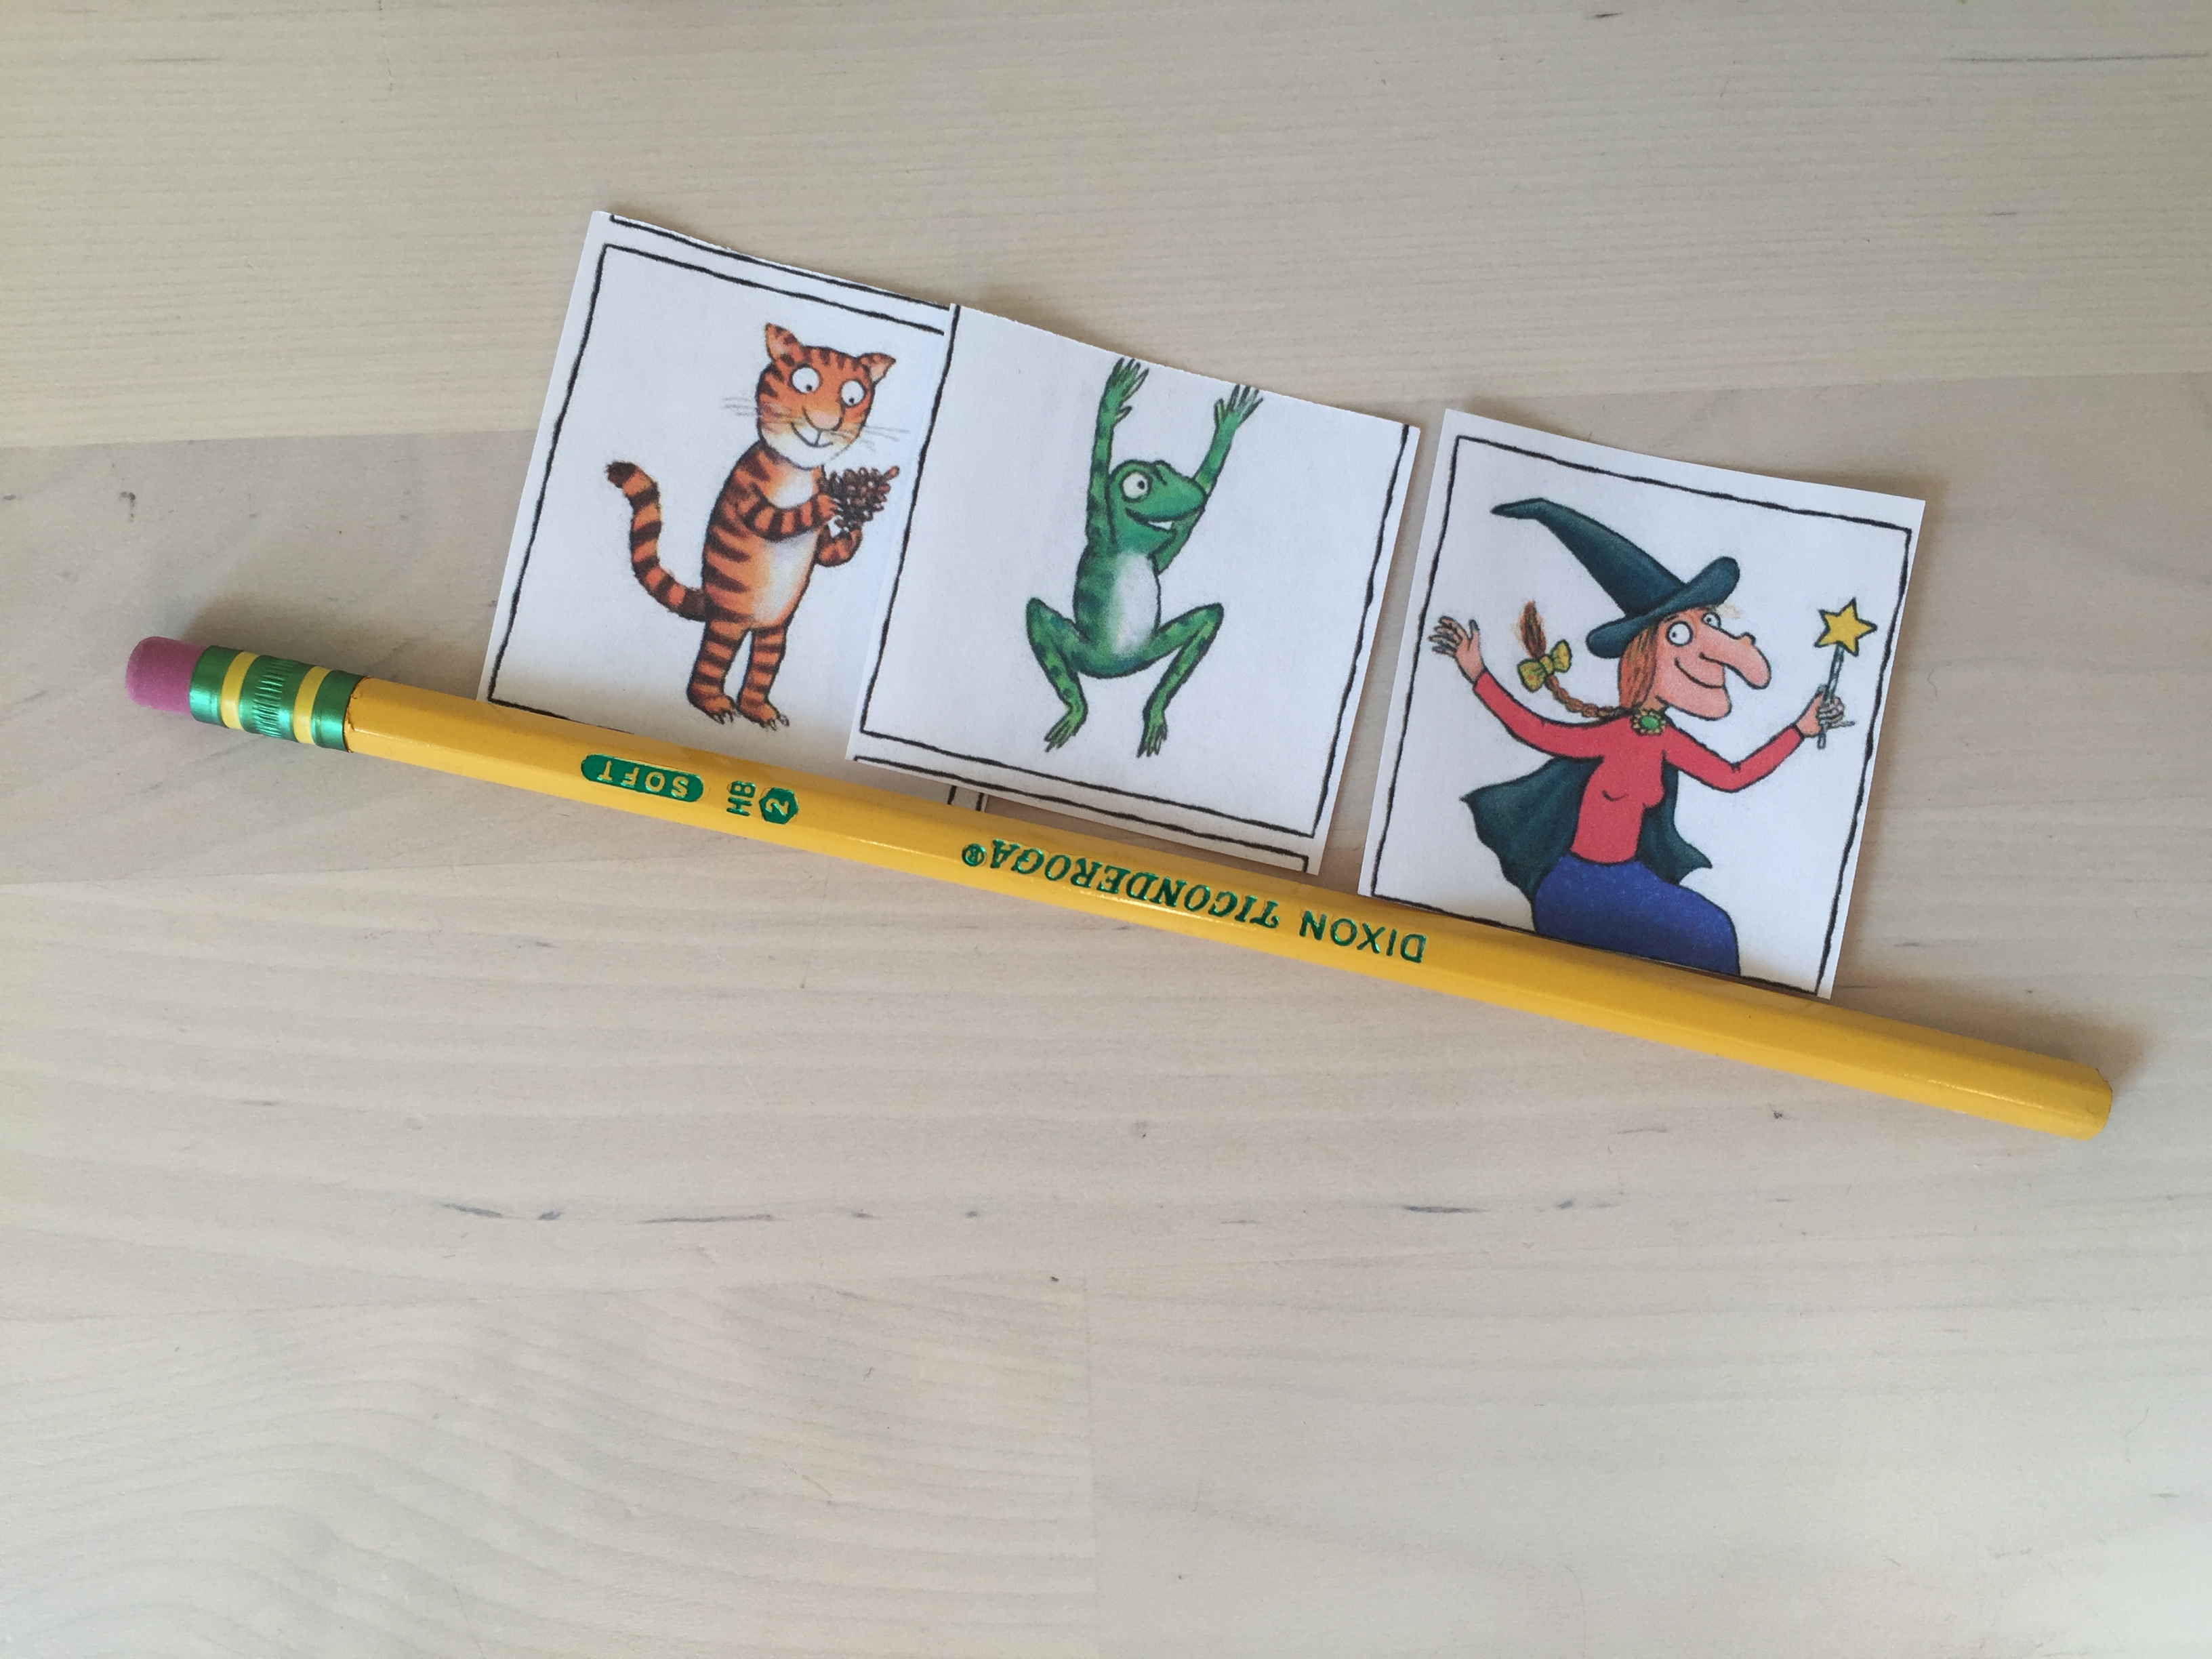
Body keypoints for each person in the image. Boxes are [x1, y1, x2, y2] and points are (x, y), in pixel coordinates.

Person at [1433, 497, 1844, 976]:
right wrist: (1478, 674)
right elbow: (1535, 730)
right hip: (1577, 888)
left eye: (1709, 623)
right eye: (1681, 634)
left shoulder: (1666, 739)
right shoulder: (1615, 735)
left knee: (1713, 932)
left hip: (1627, 881)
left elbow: (1732, 777)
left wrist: (1799, 729)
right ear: (1646, 655)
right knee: (1702, 937)